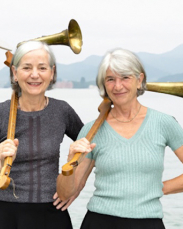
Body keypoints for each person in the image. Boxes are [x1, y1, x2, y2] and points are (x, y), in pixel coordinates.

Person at [56, 48, 183, 229]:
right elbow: (65, 193)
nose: (117, 86)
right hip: (99, 222)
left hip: (148, 222)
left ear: (139, 80)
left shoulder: (164, 123)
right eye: (110, 79)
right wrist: (70, 161)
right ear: (104, 85)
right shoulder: (92, 130)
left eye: (125, 78)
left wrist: (158, 188)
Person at [0, 40, 83, 229]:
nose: (35, 75)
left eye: (42, 68)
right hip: (6, 215)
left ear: (52, 73)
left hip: (52, 213)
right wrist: (1, 164)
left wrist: (75, 186)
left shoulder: (62, 111)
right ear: (14, 73)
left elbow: (90, 147)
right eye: (27, 68)